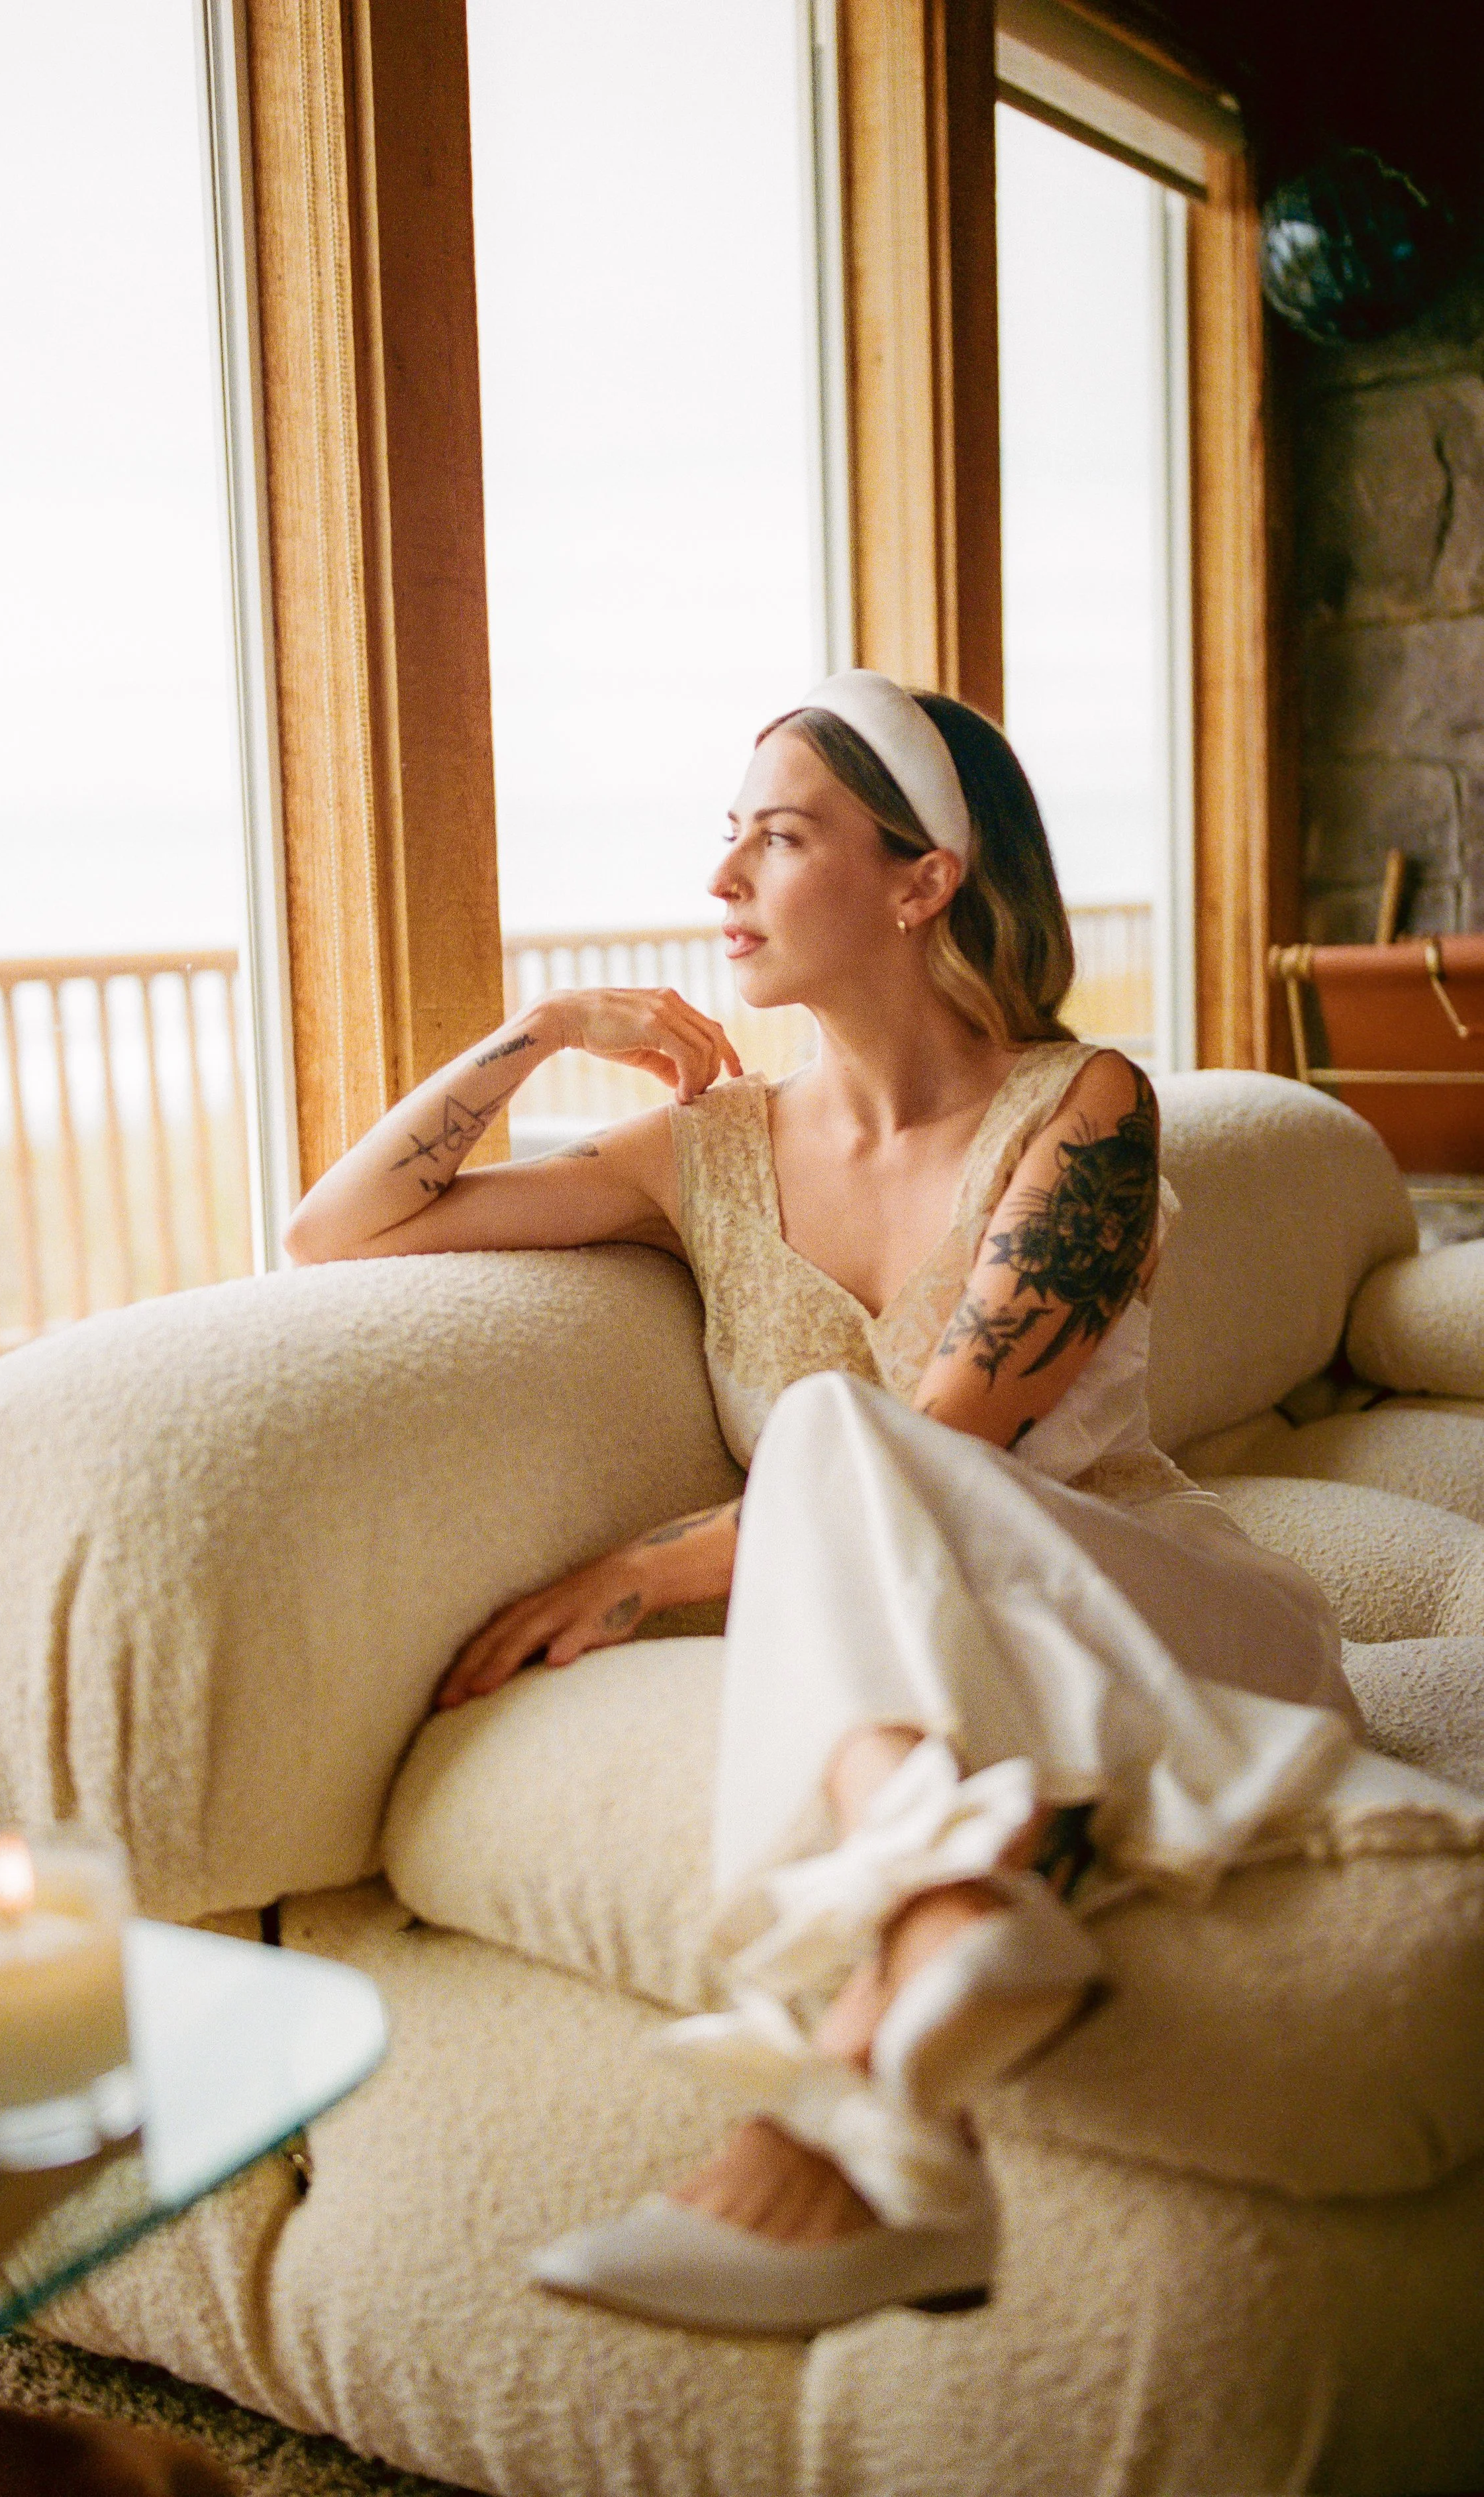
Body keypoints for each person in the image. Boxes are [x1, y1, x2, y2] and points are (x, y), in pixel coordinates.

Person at [285, 670, 1481, 2337]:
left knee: (849, 1425)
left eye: (777, 841)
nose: (722, 886)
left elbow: (953, 1441)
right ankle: (890, 2063)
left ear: (923, 879)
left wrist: (650, 1568)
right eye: (728, 841)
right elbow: (335, 1231)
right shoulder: (698, 1150)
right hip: (973, 1663)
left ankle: (902, 1977)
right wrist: (542, 1034)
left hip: (1174, 1616)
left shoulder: (1086, 1108)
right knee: (844, 1438)